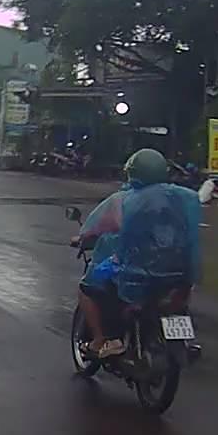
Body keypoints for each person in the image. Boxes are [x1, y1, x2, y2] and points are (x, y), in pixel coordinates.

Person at [73, 148, 202, 358]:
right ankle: (179, 339)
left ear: (132, 172)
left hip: (135, 270)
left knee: (88, 287)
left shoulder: (122, 199)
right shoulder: (183, 197)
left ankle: (104, 340)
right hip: (178, 270)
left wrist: (81, 238)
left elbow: (94, 228)